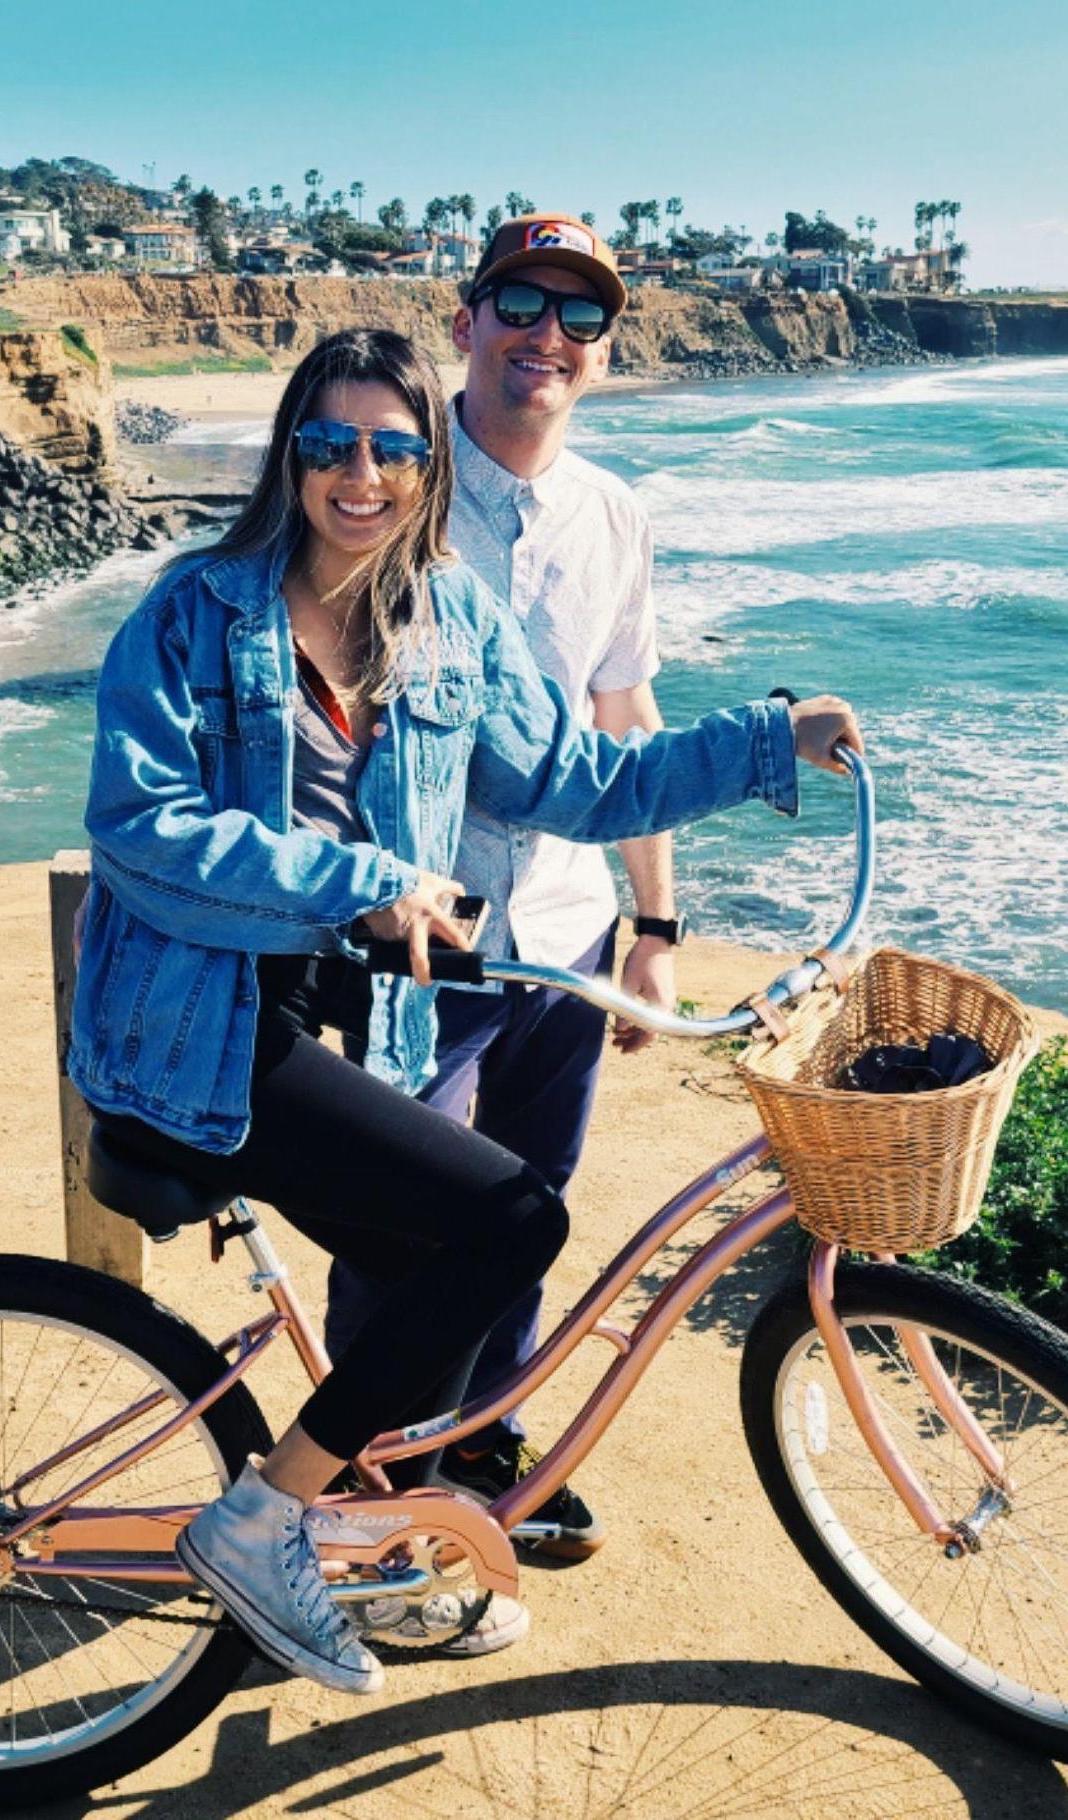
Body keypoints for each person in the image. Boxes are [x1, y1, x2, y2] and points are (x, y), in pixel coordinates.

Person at [72, 327, 862, 1698]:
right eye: (330, 444)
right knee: (514, 1220)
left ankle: (363, 1539)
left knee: (442, 1260)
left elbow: (585, 782)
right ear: (292, 456)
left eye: (393, 446)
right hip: (197, 1028)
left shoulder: (447, 620)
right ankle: (261, 1526)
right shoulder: (195, 613)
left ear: (429, 464)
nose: (360, 474)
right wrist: (363, 883)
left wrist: (764, 742)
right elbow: (140, 831)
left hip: (343, 1026)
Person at [324, 214, 665, 1562]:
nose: (548, 336)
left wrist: (657, 924)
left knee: (528, 1212)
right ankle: (354, 1491)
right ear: (463, 323)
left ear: (600, 351)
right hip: (419, 947)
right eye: (520, 303)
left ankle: (481, 1452)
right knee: (404, 1232)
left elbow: (623, 715)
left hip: (567, 941)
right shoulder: (395, 481)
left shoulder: (615, 514)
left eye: (579, 316)